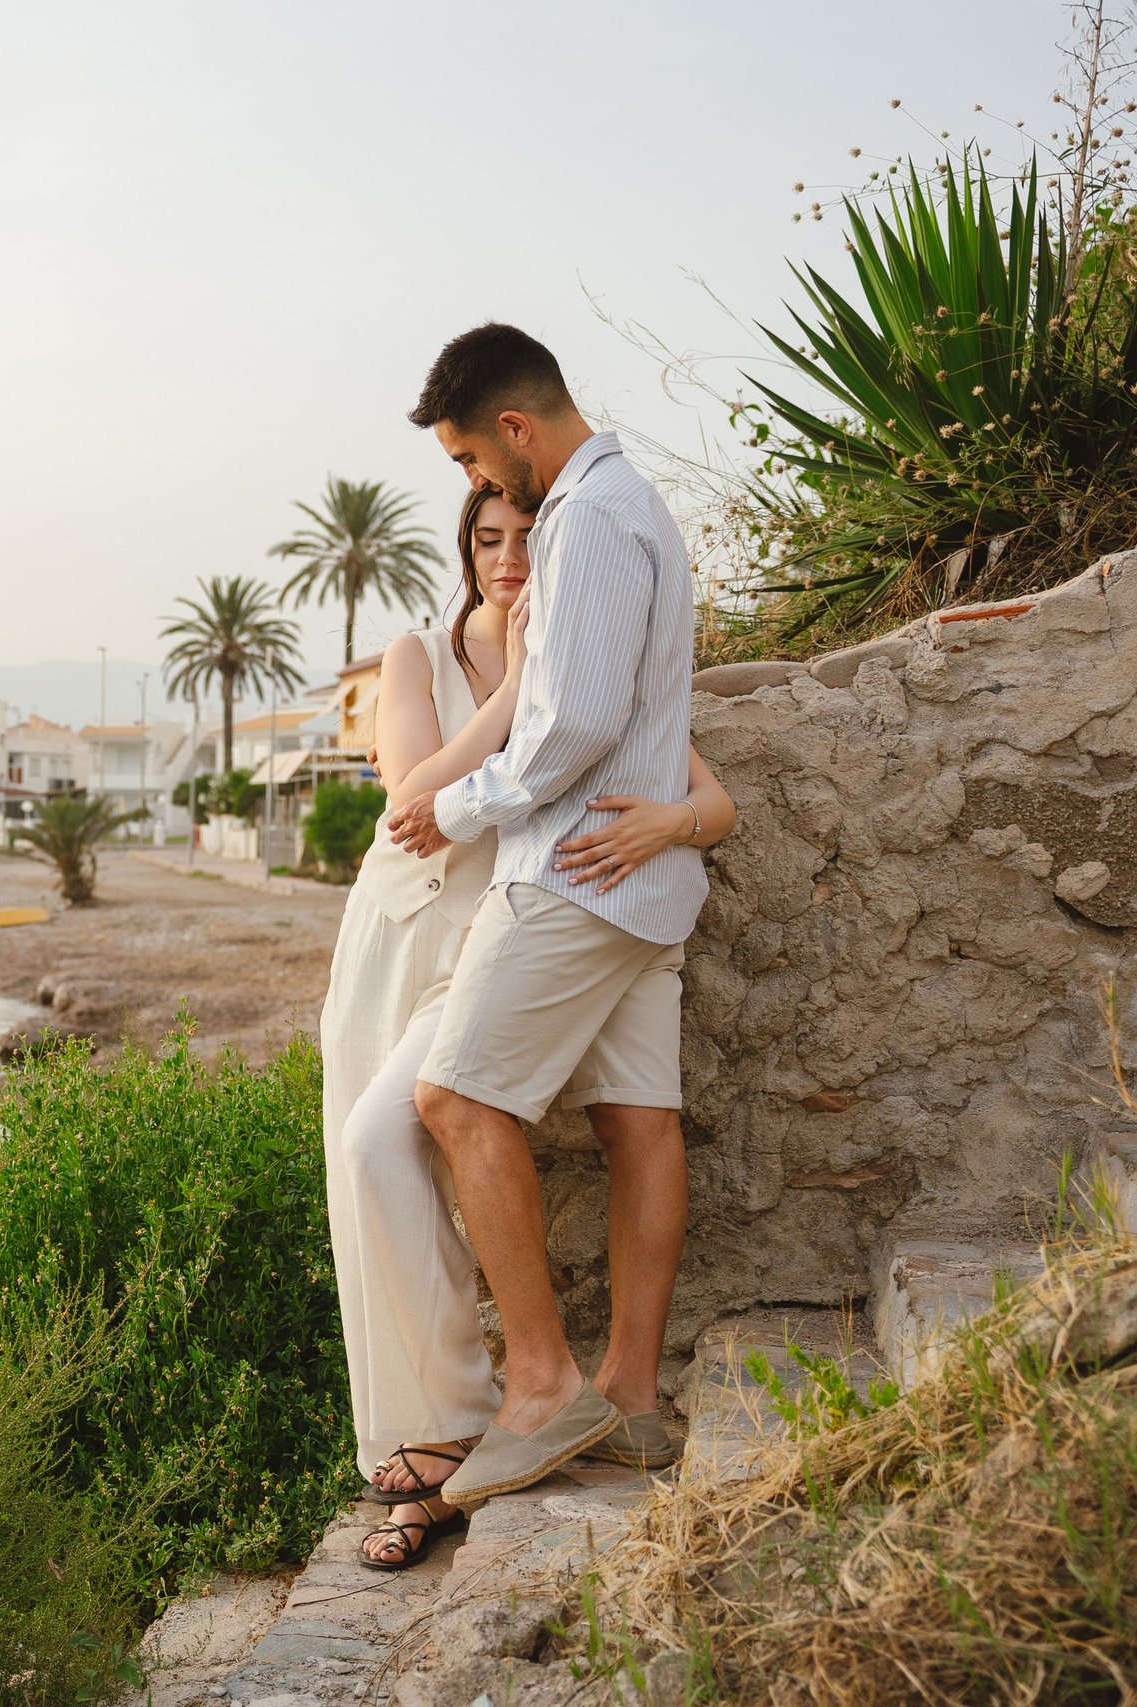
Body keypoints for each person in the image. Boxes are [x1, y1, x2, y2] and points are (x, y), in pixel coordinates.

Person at [324, 479, 734, 1568]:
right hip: (421, 933)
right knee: (370, 1144)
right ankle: (444, 1425)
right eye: (487, 537)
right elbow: (411, 797)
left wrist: (674, 819)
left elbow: (704, 794)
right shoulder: (425, 651)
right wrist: (523, 687)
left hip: (542, 927)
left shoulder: (581, 644)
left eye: (527, 538)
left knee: (630, 1122)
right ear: (463, 547)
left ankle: (583, 1401)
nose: (507, 555)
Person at [382, 322, 714, 1512]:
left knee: (453, 1098)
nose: (479, 485)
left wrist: (460, 806)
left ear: (515, 431)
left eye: (474, 463)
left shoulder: (586, 518)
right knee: (638, 1125)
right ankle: (626, 1405)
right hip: (640, 886)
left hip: (574, 874)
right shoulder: (631, 508)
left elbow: (567, 726)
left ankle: (540, 1387)